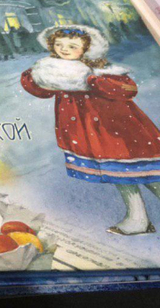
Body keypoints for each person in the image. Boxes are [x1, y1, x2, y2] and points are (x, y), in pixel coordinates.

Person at [21, 25, 160, 235]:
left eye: (72, 46)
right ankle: (138, 219)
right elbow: (41, 90)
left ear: (87, 49)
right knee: (121, 176)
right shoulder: (56, 70)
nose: (64, 49)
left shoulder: (102, 70)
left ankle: (138, 219)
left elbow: (128, 89)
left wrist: (92, 81)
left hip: (118, 130)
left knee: (147, 173)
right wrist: (37, 75)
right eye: (59, 44)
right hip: (90, 133)